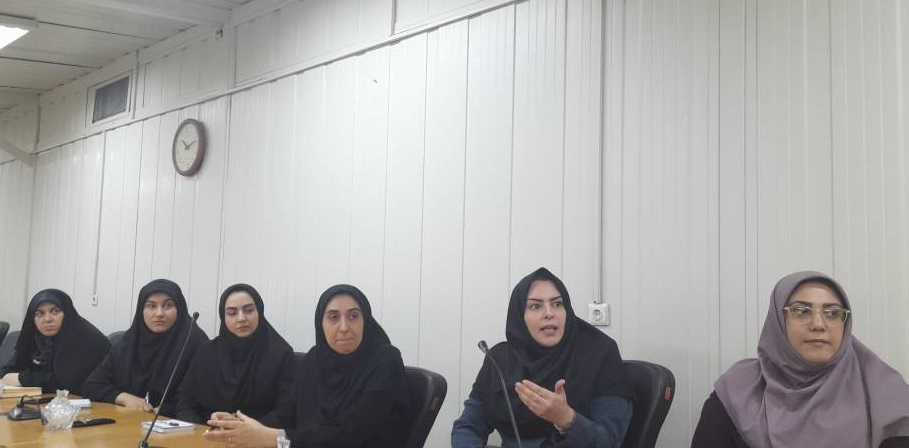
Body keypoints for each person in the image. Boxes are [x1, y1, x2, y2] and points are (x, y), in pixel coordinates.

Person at [691, 271, 909, 448]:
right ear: (778, 321)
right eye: (801, 311)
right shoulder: (737, 393)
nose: (818, 324)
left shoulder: (886, 395)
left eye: (833, 313)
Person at [203, 284, 410, 448]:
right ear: (321, 323)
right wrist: (240, 426)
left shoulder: (385, 361)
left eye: (353, 316)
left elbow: (352, 434)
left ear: (365, 320)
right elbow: (288, 412)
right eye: (333, 317)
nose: (344, 327)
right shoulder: (315, 359)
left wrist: (275, 439)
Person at [452, 267, 633, 448]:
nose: (549, 313)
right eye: (536, 306)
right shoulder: (499, 360)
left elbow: (610, 441)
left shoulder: (599, 354)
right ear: (519, 316)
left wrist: (566, 418)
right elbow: (467, 427)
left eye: (557, 304)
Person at [82, 279, 208, 416]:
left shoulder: (193, 342)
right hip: (128, 422)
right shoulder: (129, 342)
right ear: (141, 310)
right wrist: (124, 398)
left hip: (174, 424)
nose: (159, 313)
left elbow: (199, 400)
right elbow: (92, 386)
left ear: (179, 309)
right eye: (151, 306)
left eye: (167, 305)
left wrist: (163, 410)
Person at [175, 283, 296, 423]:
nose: (241, 318)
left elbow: (287, 410)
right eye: (232, 313)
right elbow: (185, 403)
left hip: (258, 432)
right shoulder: (206, 353)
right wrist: (202, 427)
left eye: (248, 310)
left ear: (259, 312)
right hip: (208, 431)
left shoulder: (281, 354)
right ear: (223, 317)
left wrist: (243, 426)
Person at [0, 289, 110, 395]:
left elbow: (68, 383)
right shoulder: (34, 338)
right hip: (45, 401)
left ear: (67, 313)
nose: (47, 319)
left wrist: (22, 378)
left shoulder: (88, 340)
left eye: (55, 311)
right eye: (39, 313)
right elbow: (7, 372)